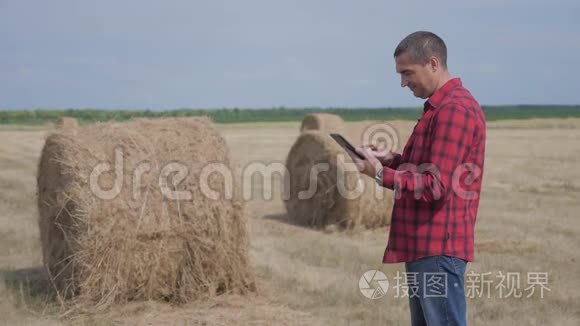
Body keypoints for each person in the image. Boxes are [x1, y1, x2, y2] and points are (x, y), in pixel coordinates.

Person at [349, 31, 486, 326]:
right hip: (426, 245)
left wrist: (381, 174)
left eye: (407, 73)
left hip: (438, 247)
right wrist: (392, 159)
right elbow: (430, 169)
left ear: (433, 63)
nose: (403, 82)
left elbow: (435, 186)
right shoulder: (439, 109)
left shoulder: (454, 110)